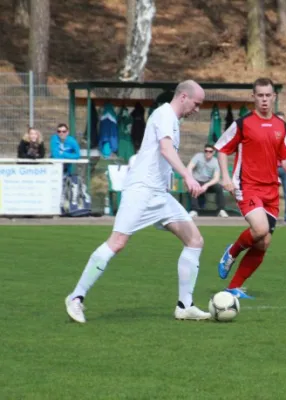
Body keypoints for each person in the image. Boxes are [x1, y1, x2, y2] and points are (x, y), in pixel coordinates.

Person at [64, 80, 212, 323]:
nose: (197, 109)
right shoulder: (164, 114)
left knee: (195, 240)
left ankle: (184, 306)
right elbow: (165, 150)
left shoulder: (173, 120)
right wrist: (187, 175)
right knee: (117, 243)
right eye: (196, 104)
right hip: (141, 191)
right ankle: (76, 297)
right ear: (183, 96)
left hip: (159, 195)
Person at [214, 77, 286, 299]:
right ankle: (232, 251)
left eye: (268, 95)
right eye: (260, 95)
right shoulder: (243, 124)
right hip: (247, 185)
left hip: (271, 190)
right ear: (253, 97)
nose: (264, 99)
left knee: (264, 242)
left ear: (274, 97)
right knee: (260, 229)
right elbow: (221, 149)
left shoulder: (281, 126)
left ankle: (233, 287)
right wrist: (225, 177)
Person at [186, 144, 228, 218]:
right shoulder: (198, 156)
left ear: (213, 152)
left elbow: (216, 178)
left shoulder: (215, 161)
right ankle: (194, 210)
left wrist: (206, 185)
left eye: (210, 151)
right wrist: (192, 180)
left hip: (208, 183)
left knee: (219, 187)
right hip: (197, 181)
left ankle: (221, 210)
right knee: (192, 187)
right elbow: (189, 168)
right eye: (206, 151)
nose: (208, 153)